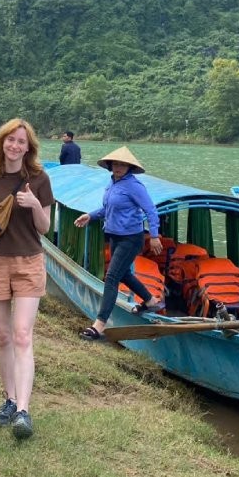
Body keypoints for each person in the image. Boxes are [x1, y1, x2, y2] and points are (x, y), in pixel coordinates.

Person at [0, 118, 53, 440]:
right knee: (3, 336)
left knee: (23, 335)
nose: (15, 146)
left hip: (28, 262)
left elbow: (45, 227)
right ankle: (8, 399)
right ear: (2, 143)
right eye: (11, 140)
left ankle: (23, 410)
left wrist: (35, 204)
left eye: (21, 141)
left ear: (29, 147)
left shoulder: (39, 178)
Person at [74, 146, 165, 340]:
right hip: (114, 236)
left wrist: (155, 235)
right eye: (115, 163)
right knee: (123, 274)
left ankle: (99, 324)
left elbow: (151, 210)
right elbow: (108, 209)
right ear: (110, 165)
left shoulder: (134, 186)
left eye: (123, 164)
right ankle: (150, 300)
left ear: (129, 167)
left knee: (112, 277)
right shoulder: (112, 184)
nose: (118, 167)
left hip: (131, 238)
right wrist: (90, 216)